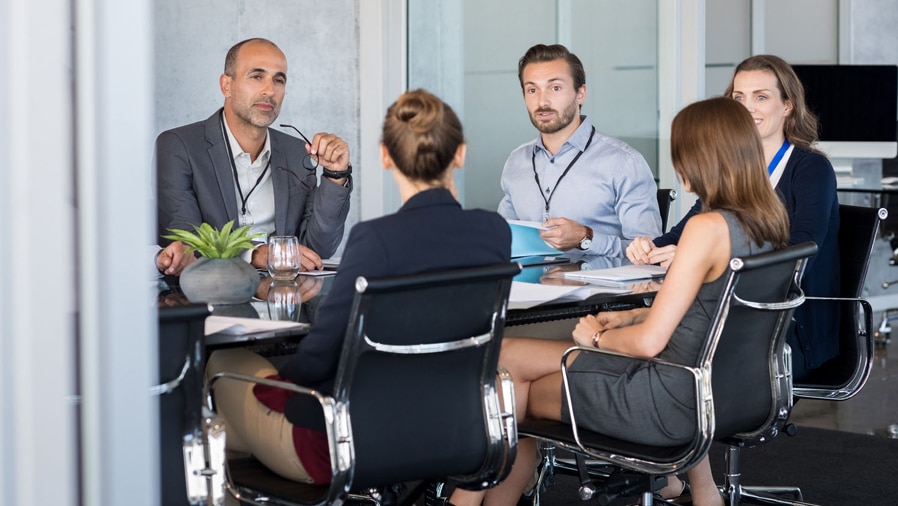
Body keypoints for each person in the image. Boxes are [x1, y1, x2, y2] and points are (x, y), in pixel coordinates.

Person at [451, 97, 790, 506]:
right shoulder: (768, 221)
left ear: (700, 157)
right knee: (508, 363)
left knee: (508, 384)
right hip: (723, 392)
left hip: (664, 399)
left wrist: (596, 338)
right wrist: (629, 316)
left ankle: (466, 502)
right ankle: (705, 494)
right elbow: (708, 314)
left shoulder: (706, 228)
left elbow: (649, 344)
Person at [204, 89, 512, 485]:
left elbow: (320, 357)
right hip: (460, 435)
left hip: (350, 447)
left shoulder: (375, 240)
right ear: (460, 154)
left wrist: (281, 384)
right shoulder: (494, 231)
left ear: (385, 156)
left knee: (223, 365)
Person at [626, 54, 840, 381]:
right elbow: (683, 234)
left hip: (789, 327)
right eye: (739, 98)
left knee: (642, 354)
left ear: (788, 106)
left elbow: (800, 254)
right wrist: (648, 247)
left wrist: (696, 259)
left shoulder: (811, 168)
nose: (748, 107)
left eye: (761, 97)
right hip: (729, 319)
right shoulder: (733, 172)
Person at [156, 38, 352, 273]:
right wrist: (254, 253)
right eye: (257, 76)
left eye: (278, 80)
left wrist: (335, 176)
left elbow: (318, 250)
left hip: (284, 290)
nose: (270, 90)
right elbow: (185, 244)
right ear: (226, 85)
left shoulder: (296, 151)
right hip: (210, 290)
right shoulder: (178, 146)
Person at [497, 44, 661, 258]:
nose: (542, 101)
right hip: (529, 279)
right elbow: (501, 242)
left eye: (555, 88)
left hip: (599, 280)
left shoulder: (623, 163)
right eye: (532, 90)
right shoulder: (516, 162)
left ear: (580, 93)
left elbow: (651, 254)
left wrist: (586, 238)